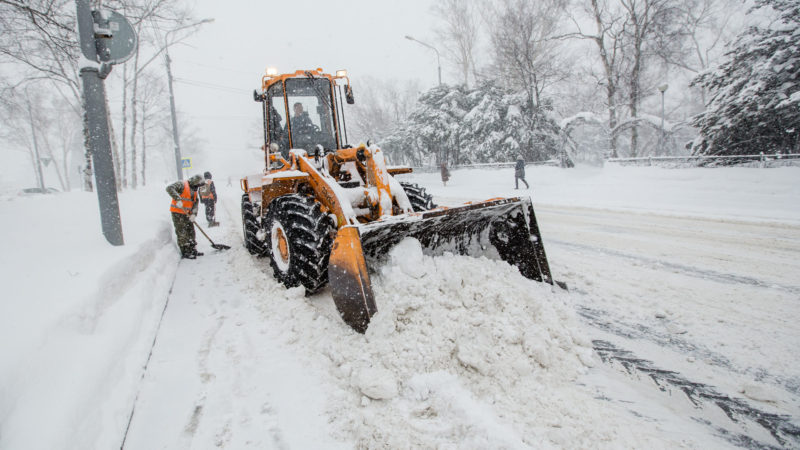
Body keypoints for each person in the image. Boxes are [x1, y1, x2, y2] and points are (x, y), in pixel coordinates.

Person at [166, 174, 205, 259]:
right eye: (198, 185)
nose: (198, 187)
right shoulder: (182, 184)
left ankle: (192, 249)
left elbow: (195, 203)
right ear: (194, 181)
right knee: (182, 232)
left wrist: (194, 214)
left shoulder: (194, 190)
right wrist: (178, 199)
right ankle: (185, 251)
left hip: (187, 214)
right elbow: (169, 188)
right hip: (177, 213)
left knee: (190, 231)